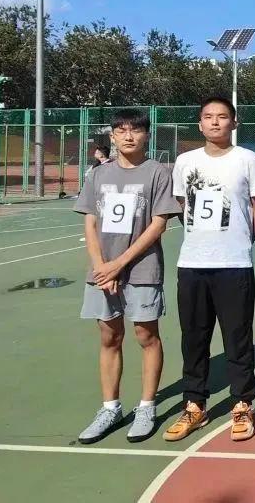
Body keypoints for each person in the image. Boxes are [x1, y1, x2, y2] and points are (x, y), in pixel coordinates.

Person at [164, 96, 255, 443]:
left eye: (222, 116)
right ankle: (195, 405)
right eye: (208, 116)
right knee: (194, 338)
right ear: (199, 124)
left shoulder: (247, 159)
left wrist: (242, 240)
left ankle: (242, 403)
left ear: (234, 123)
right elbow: (183, 204)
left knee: (237, 338)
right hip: (192, 264)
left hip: (235, 264)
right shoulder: (185, 161)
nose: (215, 122)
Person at [75, 109, 181, 445]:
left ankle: (147, 406)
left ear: (147, 135)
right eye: (121, 130)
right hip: (102, 271)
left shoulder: (158, 172)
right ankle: (110, 408)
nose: (129, 136)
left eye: (135, 130)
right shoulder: (97, 175)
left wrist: (119, 263)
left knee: (146, 336)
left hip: (141, 269)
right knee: (109, 337)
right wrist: (101, 267)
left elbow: (158, 225)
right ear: (112, 136)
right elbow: (90, 222)